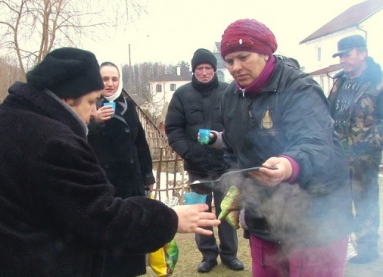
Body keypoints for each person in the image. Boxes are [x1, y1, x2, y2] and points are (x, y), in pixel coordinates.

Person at [0, 47, 220, 277]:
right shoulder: (51, 141)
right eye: (91, 102)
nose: (93, 113)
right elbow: (101, 216)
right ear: (66, 98)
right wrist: (169, 219)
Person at [217, 19, 354, 277]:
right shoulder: (231, 96)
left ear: (265, 53)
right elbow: (232, 149)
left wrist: (288, 165)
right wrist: (237, 185)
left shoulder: (299, 87)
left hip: (316, 216)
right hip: (264, 216)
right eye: (229, 60)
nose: (236, 67)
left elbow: (316, 143)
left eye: (243, 57)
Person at [165, 48, 244, 273]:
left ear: (215, 70)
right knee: (201, 211)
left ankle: (230, 254)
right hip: (196, 167)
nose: (204, 72)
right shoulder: (182, 95)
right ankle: (208, 255)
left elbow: (237, 125)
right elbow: (173, 129)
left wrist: (229, 152)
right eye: (199, 68)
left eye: (208, 68)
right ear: (194, 70)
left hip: (225, 166)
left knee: (226, 210)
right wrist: (189, 152)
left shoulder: (229, 91)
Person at [87, 62, 156, 276]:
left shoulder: (128, 105)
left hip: (131, 182)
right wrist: (94, 122)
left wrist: (147, 175)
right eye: (105, 79)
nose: (109, 83)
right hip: (104, 181)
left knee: (131, 233)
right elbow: (79, 141)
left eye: (114, 79)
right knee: (108, 236)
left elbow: (140, 143)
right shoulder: (89, 106)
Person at [328, 34, 382, 264]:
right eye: (340, 55)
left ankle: (368, 248)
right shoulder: (339, 80)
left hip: (364, 157)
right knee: (337, 199)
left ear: (363, 53)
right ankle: (341, 244)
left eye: (347, 55)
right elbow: (328, 112)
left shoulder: (378, 81)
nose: (342, 60)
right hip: (337, 154)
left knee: (365, 200)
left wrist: (368, 144)